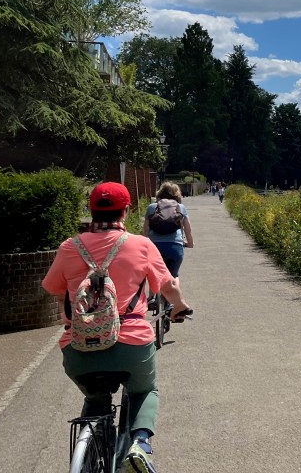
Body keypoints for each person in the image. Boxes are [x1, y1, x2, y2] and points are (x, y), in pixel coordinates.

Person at [42, 182, 192, 473]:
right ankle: (140, 445)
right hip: (131, 344)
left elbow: (52, 287)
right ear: (125, 210)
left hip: (78, 347)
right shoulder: (140, 245)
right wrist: (180, 307)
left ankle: (88, 445)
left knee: (95, 396)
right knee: (144, 391)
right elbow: (168, 285)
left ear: (91, 210)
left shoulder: (69, 247)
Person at [143, 182, 194, 278]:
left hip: (155, 247)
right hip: (175, 247)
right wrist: (190, 243)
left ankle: (153, 292)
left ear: (160, 193)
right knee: (174, 277)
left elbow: (145, 231)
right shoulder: (180, 207)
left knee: (154, 277)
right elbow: (188, 230)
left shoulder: (152, 207)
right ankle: (174, 287)